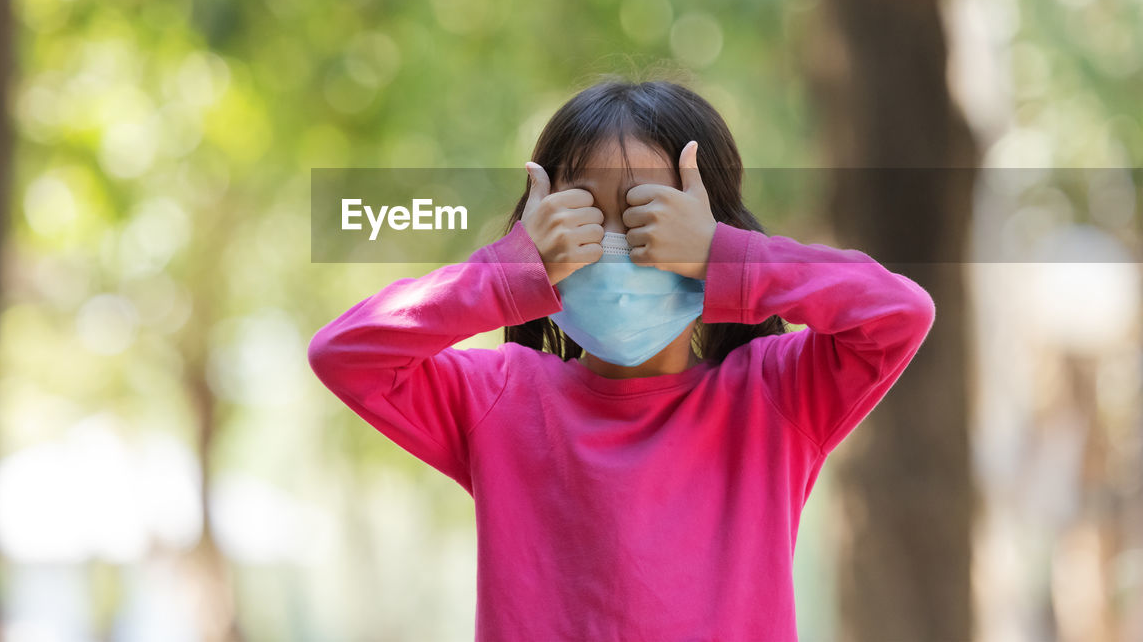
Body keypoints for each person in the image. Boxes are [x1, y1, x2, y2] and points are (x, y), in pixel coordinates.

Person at [308, 74, 937, 641]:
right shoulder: (497, 398)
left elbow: (898, 314)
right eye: (582, 217)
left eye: (647, 215)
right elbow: (345, 353)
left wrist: (723, 256)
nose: (613, 244)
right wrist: (510, 271)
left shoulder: (776, 395)